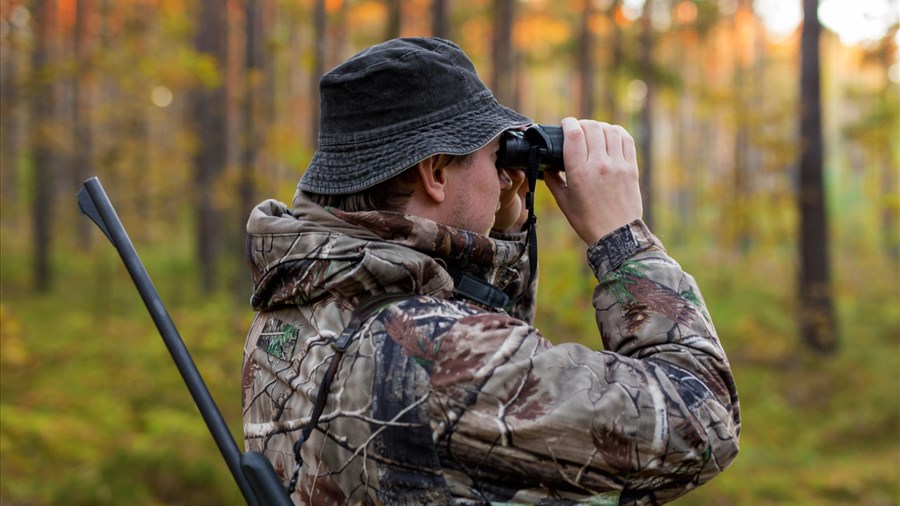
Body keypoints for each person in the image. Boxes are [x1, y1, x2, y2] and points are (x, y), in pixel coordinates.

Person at [241, 37, 739, 505]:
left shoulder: (296, 302)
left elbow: (466, 437)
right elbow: (701, 420)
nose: (506, 174)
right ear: (435, 173)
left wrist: (498, 235)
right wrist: (623, 241)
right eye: (491, 153)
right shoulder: (436, 354)